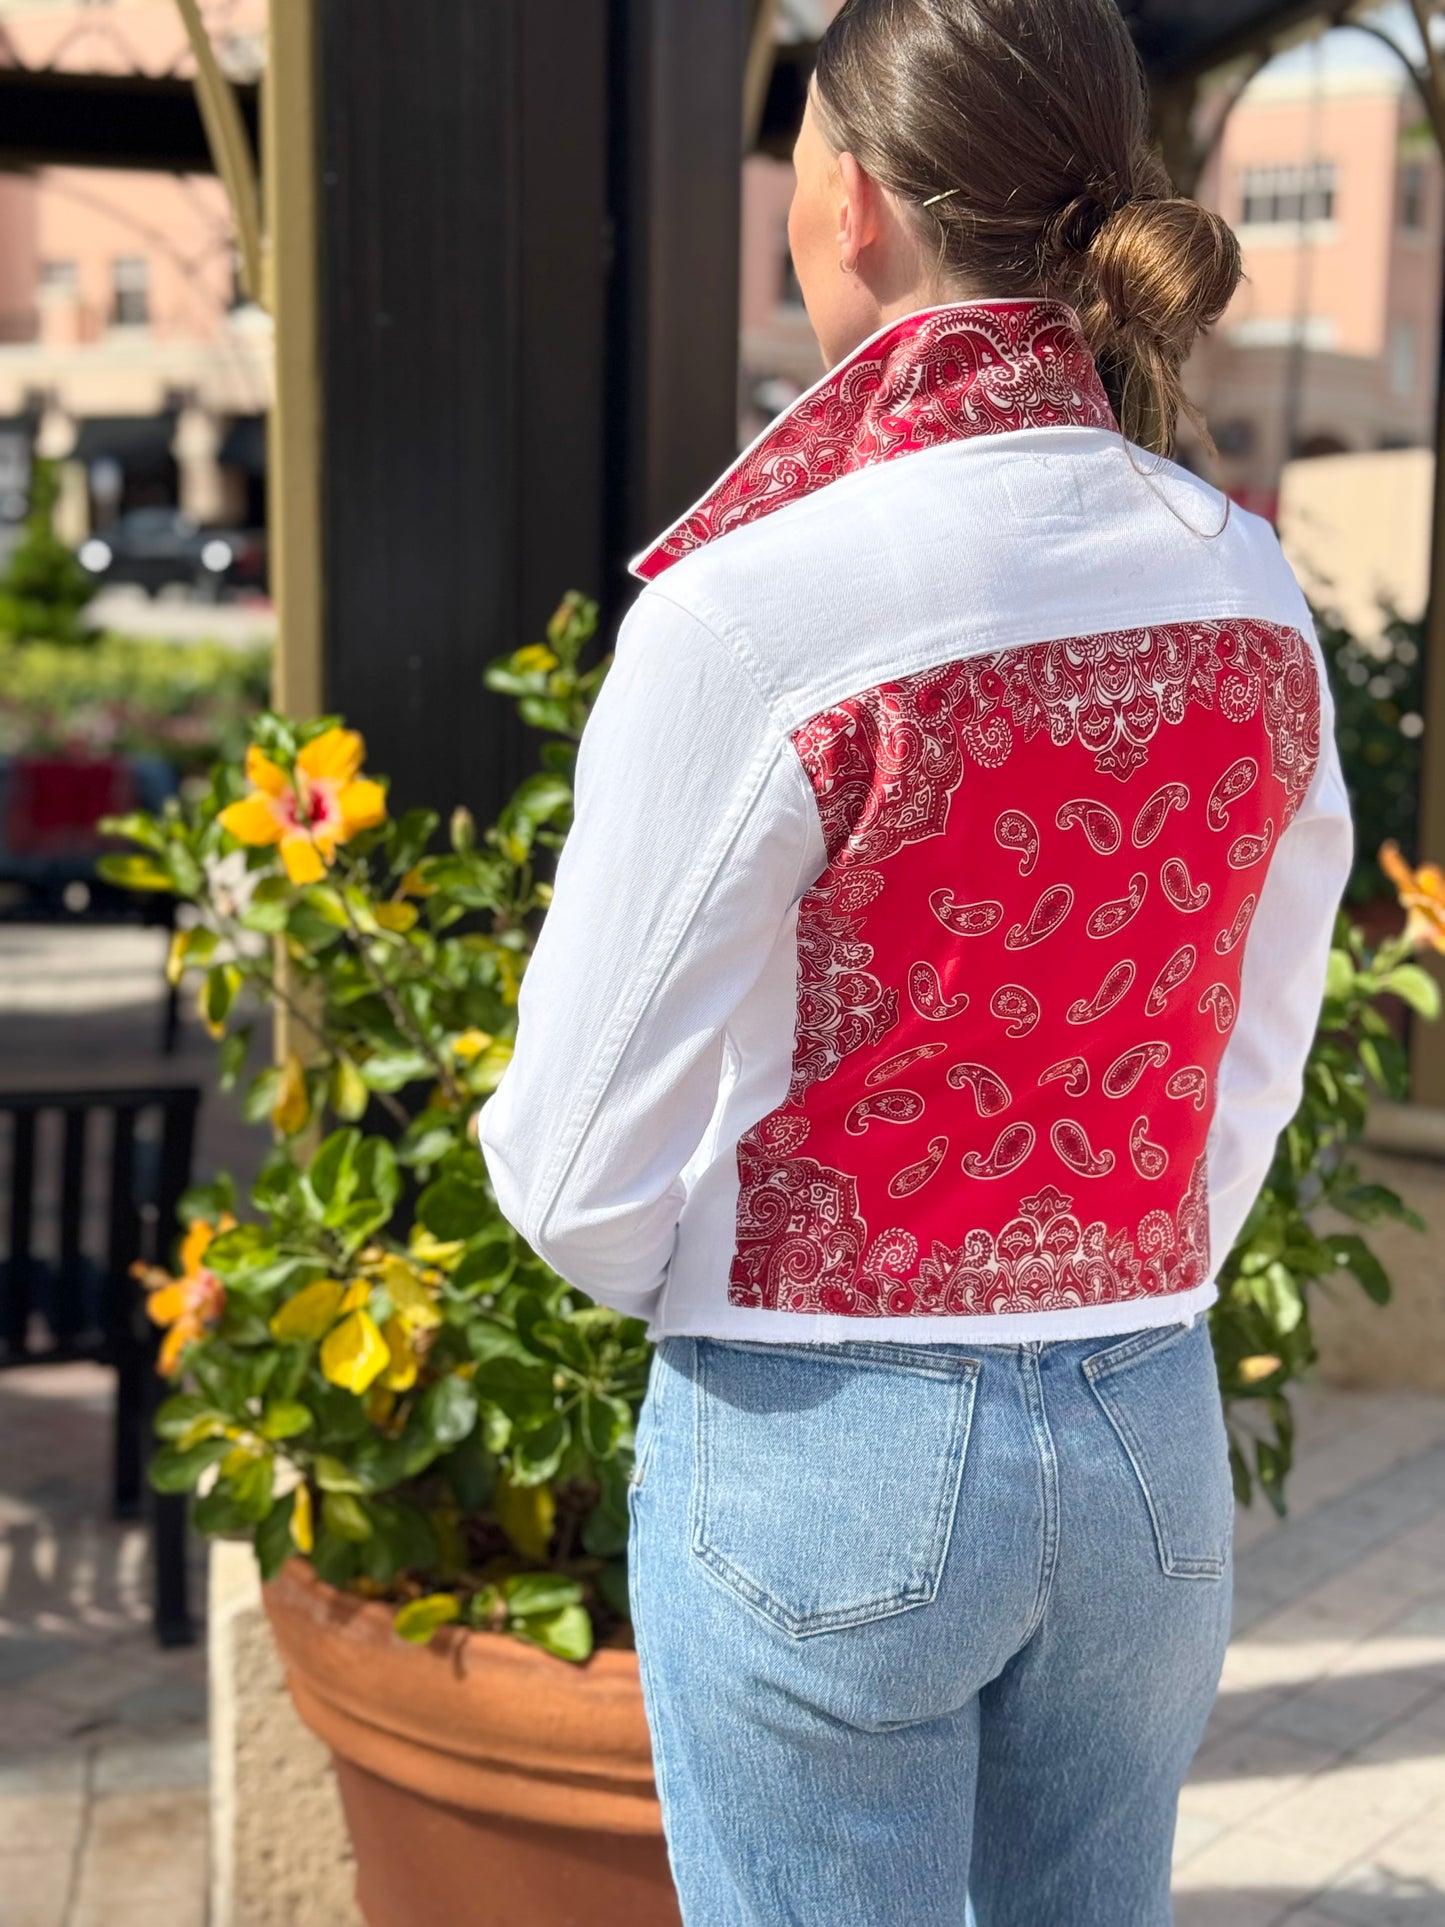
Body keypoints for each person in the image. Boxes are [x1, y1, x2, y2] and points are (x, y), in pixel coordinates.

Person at [476, 1, 1353, 1919]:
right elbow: (1260, 1028)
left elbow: (568, 1168)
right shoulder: (1238, 571)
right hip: (1141, 1428)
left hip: (822, 1431)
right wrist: (1129, 1258)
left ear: (851, 203)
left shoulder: (753, 608)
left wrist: (713, 1287)